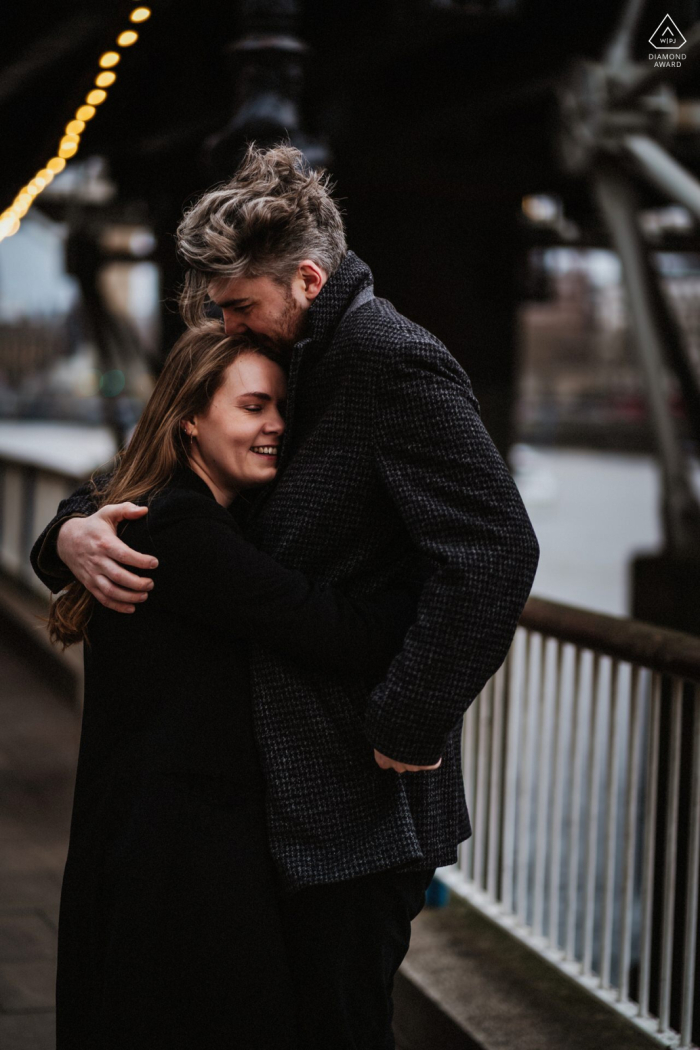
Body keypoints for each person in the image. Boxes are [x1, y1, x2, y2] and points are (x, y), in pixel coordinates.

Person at [32, 143, 540, 1050]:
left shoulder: (389, 362)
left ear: (308, 279)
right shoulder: (294, 359)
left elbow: (497, 549)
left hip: (355, 798)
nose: (232, 324)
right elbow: (157, 469)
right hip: (283, 795)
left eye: (240, 304)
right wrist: (68, 533)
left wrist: (408, 723)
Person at [40, 323, 421, 1050]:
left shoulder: (160, 505)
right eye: (253, 407)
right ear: (189, 418)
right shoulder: (181, 530)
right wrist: (429, 585)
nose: (276, 425)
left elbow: (90, 493)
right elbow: (332, 628)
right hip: (182, 862)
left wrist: (59, 535)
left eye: (282, 408)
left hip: (147, 839)